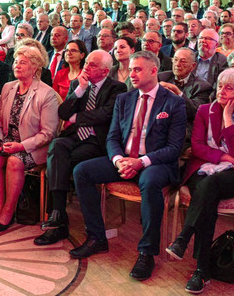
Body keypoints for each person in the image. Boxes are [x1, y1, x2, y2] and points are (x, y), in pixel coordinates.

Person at [71, 51, 185, 282]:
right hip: (124, 159)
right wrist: (118, 160)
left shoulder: (173, 102)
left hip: (155, 163)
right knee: (81, 171)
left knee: (150, 182)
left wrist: (141, 161)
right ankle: (97, 237)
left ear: (154, 70)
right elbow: (112, 137)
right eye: (131, 69)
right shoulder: (125, 99)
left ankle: (147, 253)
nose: (131, 74)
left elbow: (174, 148)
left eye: (137, 69)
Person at [166, 69, 234, 292]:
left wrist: (227, 118)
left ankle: (184, 238)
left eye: (229, 88)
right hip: (203, 167)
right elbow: (198, 147)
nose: (221, 91)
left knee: (209, 187)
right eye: (220, 85)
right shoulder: (204, 110)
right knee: (207, 196)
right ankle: (201, 269)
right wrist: (228, 158)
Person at [35, 49, 126, 246]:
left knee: (58, 164)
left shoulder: (117, 88)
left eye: (92, 65)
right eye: (86, 63)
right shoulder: (78, 84)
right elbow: (63, 113)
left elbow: (106, 114)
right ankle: (58, 212)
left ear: (104, 71)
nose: (86, 67)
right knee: (57, 146)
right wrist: (79, 91)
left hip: (97, 141)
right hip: (75, 136)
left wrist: (77, 117)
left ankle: (58, 222)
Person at [0, 44, 59, 232]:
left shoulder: (46, 93)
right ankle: (0, 206)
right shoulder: (8, 87)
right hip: (9, 139)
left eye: (23, 63)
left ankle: (8, 211)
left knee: (14, 161)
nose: (16, 66)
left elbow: (48, 133)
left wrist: (21, 146)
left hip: (35, 145)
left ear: (35, 68)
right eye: (16, 62)